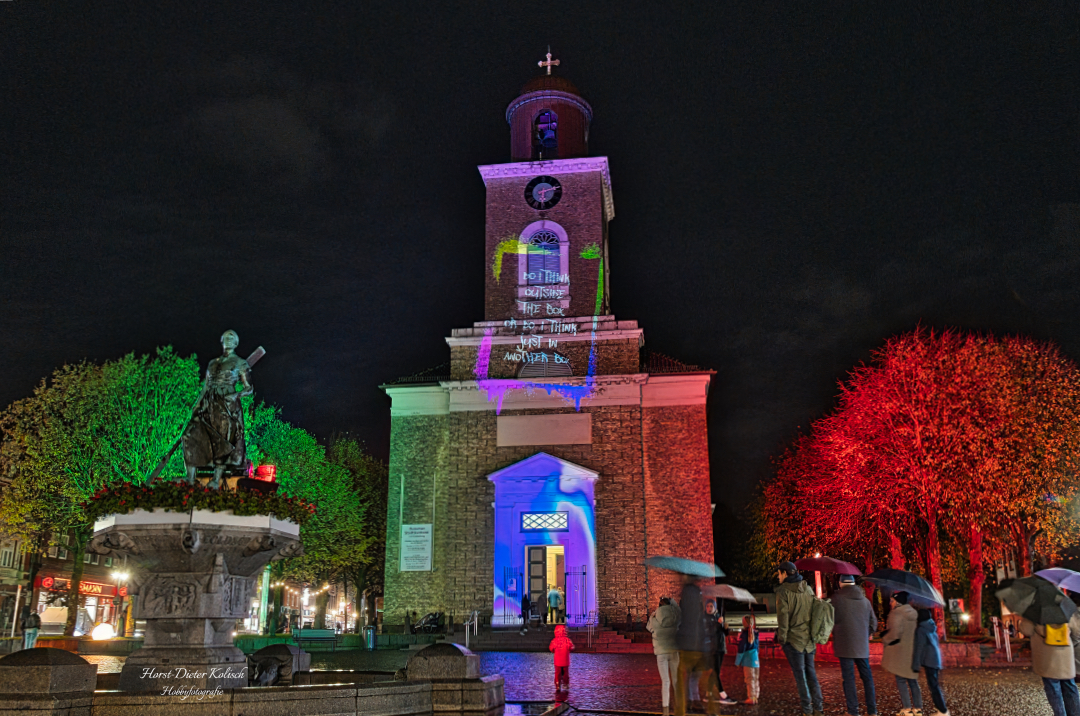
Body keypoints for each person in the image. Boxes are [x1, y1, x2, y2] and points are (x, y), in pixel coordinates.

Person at [181, 330, 254, 489]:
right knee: (189, 435)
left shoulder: (240, 363)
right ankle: (190, 478)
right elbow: (205, 387)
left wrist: (235, 395)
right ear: (222, 341)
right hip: (208, 402)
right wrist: (197, 404)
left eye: (232, 338)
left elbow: (249, 388)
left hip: (226, 404)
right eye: (226, 337)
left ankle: (216, 478)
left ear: (236, 343)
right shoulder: (212, 363)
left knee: (221, 439)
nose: (229, 340)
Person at [775, 561, 824, 716]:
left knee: (800, 676)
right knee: (811, 674)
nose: (778, 576)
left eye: (779, 573)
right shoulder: (808, 588)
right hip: (809, 641)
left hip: (794, 641)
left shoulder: (783, 591)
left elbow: (783, 619)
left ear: (784, 573)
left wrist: (781, 638)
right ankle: (818, 708)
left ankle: (807, 710)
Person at [831, 574, 878, 716]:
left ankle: (853, 711)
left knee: (849, 678)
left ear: (840, 584)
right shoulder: (865, 601)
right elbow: (873, 623)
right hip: (861, 646)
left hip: (844, 645)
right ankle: (872, 711)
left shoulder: (836, 600)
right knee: (867, 678)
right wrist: (864, 634)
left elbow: (830, 620)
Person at [1021, 614, 1080, 716]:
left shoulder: (1036, 610)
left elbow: (1026, 630)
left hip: (1047, 656)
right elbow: (1076, 631)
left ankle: (1060, 714)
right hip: (1065, 655)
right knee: (1070, 686)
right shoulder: (1063, 607)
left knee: (1053, 689)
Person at [674, 573, 715, 716]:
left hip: (688, 644)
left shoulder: (688, 592)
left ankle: (683, 709)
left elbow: (689, 619)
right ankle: (703, 704)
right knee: (696, 676)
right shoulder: (697, 593)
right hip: (698, 644)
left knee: (681, 678)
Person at [881, 592, 921, 716]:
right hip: (913, 650)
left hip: (900, 651)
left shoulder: (896, 613)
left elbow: (895, 634)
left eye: (892, 601)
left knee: (901, 679)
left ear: (897, 602)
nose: (890, 603)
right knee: (913, 680)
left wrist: (885, 639)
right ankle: (918, 708)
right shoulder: (914, 613)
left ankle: (907, 708)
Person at [647, 597, 681, 716]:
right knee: (676, 680)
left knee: (665, 681)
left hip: (661, 652)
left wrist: (653, 615)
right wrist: (673, 603)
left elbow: (649, 628)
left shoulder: (654, 618)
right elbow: (680, 613)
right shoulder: (675, 615)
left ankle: (665, 710)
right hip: (674, 650)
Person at [912, 609, 948, 716]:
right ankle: (941, 710)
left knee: (934, 686)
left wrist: (915, 665)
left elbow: (919, 648)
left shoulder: (921, 630)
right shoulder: (932, 627)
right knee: (935, 685)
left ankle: (942, 710)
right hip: (935, 659)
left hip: (929, 661)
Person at [705, 600, 738, 706]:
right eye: (708, 606)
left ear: (715, 608)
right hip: (712, 648)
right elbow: (709, 632)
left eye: (711, 606)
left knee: (715, 671)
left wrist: (725, 627)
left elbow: (723, 633)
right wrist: (718, 624)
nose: (709, 608)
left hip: (720, 648)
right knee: (715, 672)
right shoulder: (704, 619)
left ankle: (708, 694)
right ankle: (723, 695)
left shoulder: (718, 616)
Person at [735, 614, 760, 705]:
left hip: (748, 660)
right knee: (756, 679)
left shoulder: (744, 634)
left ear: (744, 623)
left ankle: (751, 698)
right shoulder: (756, 633)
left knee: (749, 679)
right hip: (756, 659)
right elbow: (758, 648)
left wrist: (737, 662)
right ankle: (755, 697)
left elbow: (741, 649)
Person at [548, 623, 575, 692]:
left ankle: (557, 684)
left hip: (557, 661)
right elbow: (571, 648)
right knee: (565, 673)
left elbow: (551, 648)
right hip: (565, 660)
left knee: (558, 673)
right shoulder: (567, 640)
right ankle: (566, 684)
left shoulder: (554, 640)